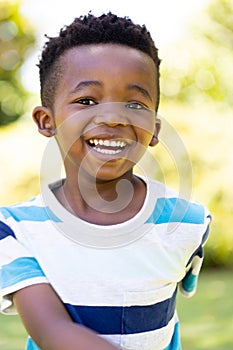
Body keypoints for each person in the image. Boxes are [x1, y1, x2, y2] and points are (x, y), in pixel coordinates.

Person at [0, 12, 211, 350]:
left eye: (134, 103)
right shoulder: (15, 230)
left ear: (155, 130)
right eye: (86, 101)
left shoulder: (188, 221)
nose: (113, 117)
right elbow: (53, 332)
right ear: (46, 121)